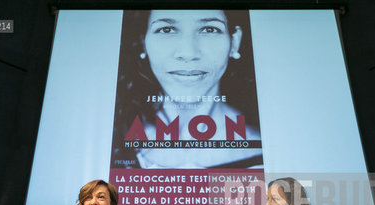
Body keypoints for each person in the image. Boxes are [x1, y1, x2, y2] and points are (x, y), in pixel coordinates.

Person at [111, 10, 263, 169]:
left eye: (209, 29)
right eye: (166, 30)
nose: (188, 53)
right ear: (143, 41)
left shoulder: (265, 150)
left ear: (235, 41)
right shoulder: (109, 140)